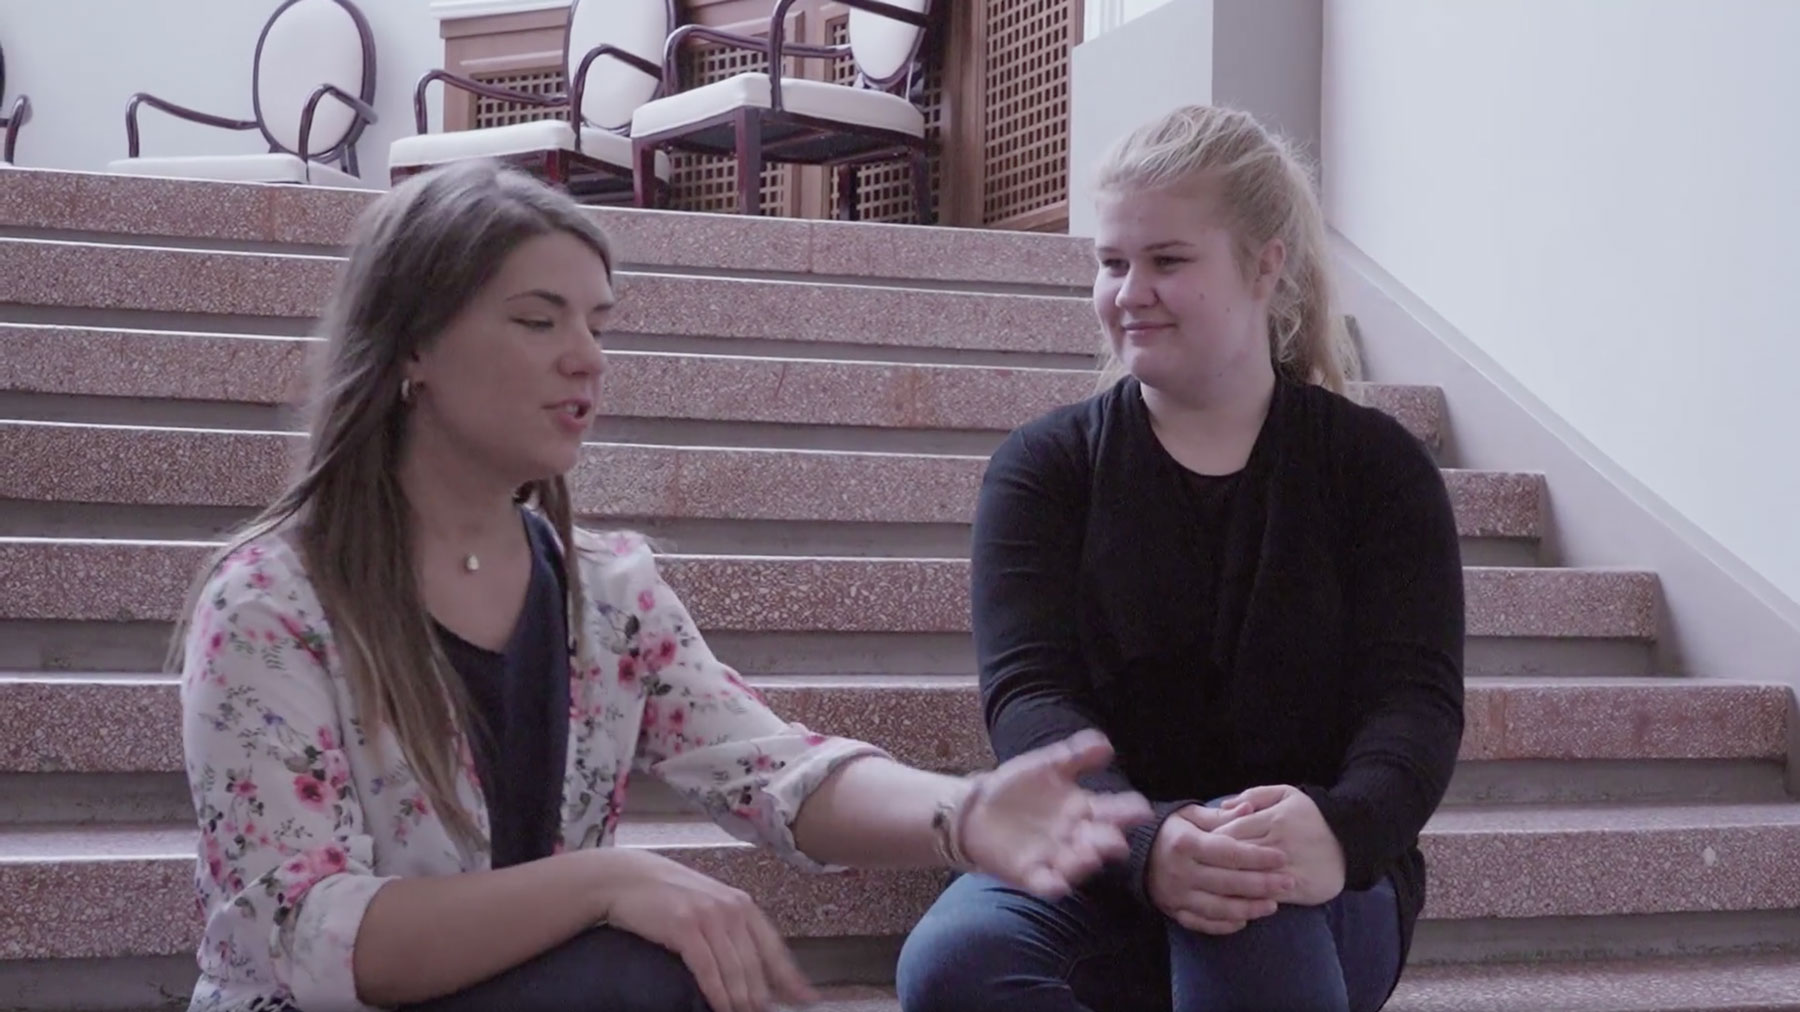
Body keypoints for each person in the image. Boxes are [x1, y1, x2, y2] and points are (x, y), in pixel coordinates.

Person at [173, 159, 1152, 1012]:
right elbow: (314, 936)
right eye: (537, 319)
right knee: (640, 971)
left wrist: (964, 813)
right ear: (412, 347)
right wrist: (606, 882)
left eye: (597, 323)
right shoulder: (272, 605)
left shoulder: (606, 594)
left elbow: (773, 771)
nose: (586, 357)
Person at [893, 105, 1467, 1011]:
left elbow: (1415, 703)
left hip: (1310, 865)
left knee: (1247, 912)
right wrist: (1146, 843)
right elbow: (1030, 700)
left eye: (1167, 261)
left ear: (1265, 265)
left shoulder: (1376, 469)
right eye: (1112, 263)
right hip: (1099, 851)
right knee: (955, 963)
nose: (1130, 292)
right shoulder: (1044, 470)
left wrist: (1341, 829)